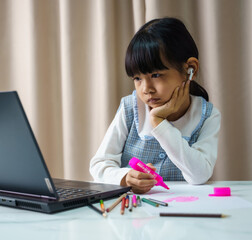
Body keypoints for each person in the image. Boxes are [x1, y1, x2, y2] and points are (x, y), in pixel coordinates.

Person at [89, 17, 221, 194]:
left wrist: (159, 121)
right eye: (137, 78)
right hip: (133, 213)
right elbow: (99, 165)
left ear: (190, 69)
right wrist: (125, 176)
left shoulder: (207, 115)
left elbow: (199, 175)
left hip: (183, 211)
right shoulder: (130, 108)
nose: (146, 89)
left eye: (156, 75)